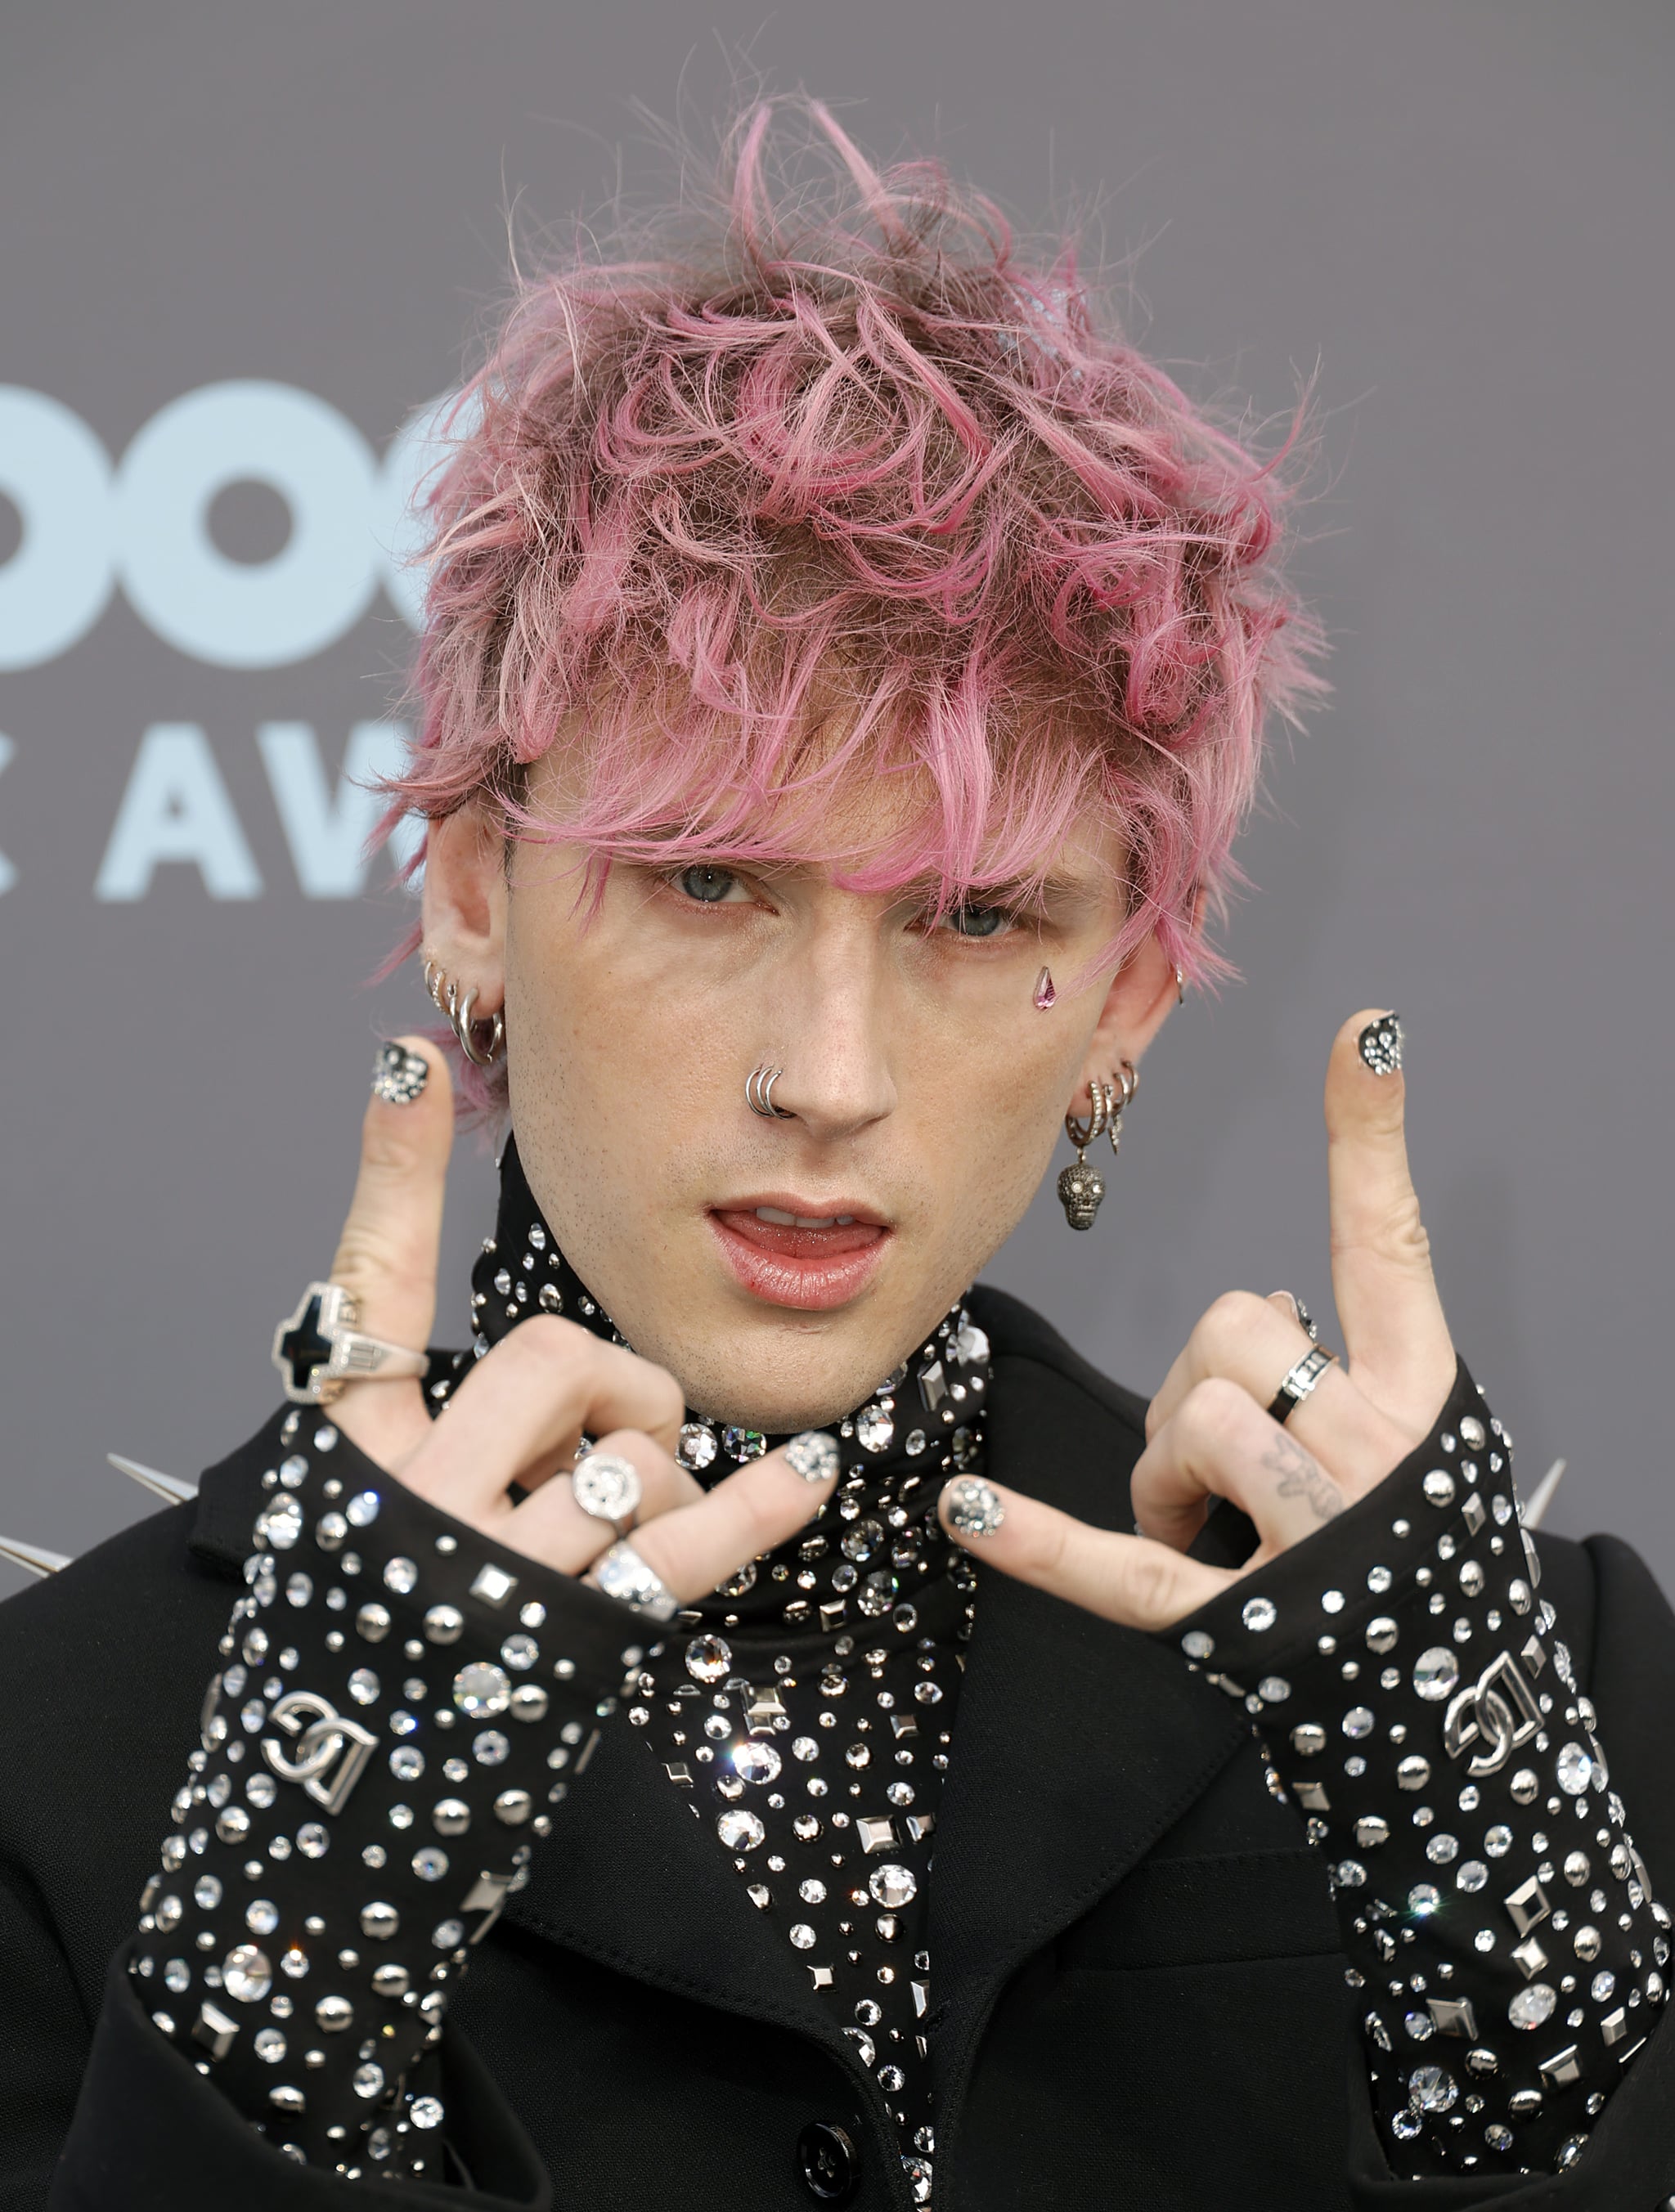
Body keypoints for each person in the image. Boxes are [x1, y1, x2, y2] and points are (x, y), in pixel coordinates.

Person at [2, 101, 1671, 2212]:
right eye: (707, 882)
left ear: (1133, 1001)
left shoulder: (1517, 1691)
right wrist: (288, 1975)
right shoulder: (71, 1752)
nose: (827, 1071)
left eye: (978, 921)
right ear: (465, 893)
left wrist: (1512, 1983)